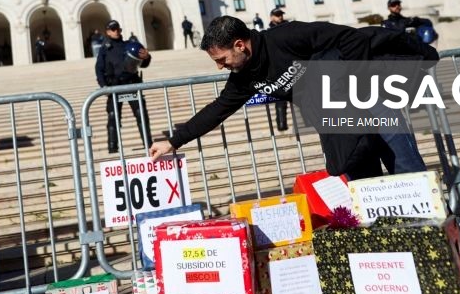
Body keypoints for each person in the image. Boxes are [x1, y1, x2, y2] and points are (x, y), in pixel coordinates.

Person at [148, 16, 438, 179]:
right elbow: (218, 110)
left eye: (222, 58)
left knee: (409, 177)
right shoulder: (245, 77)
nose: (220, 66)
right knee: (367, 191)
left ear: (240, 44)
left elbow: (351, 38)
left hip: (373, 106)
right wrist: (174, 141)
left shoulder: (287, 37)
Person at [95, 20, 153, 153]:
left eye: (117, 29)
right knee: (113, 116)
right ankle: (112, 148)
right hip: (114, 86)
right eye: (113, 29)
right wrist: (103, 86)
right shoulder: (105, 49)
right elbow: (99, 69)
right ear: (108, 32)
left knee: (141, 114)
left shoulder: (129, 45)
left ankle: (148, 144)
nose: (116, 31)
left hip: (131, 83)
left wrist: (147, 57)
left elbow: (143, 64)